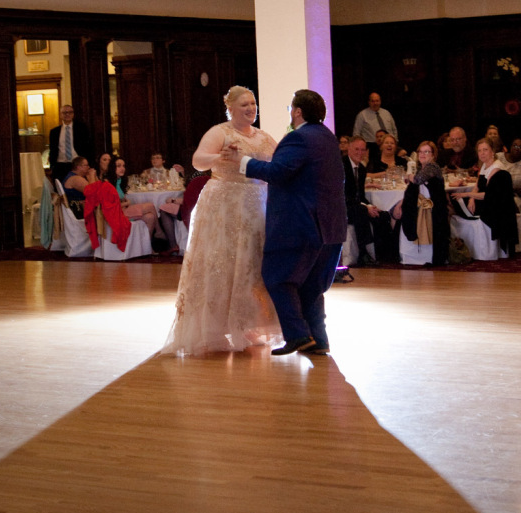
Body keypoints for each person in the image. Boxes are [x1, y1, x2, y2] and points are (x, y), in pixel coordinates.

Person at [161, 85, 281, 356]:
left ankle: (250, 324)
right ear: (231, 108)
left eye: (253, 103)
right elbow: (198, 161)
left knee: (252, 264)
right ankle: (215, 328)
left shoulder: (263, 136)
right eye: (244, 105)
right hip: (225, 206)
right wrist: (220, 156)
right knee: (222, 263)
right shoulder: (220, 132)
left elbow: (278, 163)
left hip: (257, 205)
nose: (251, 108)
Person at [233, 89, 347, 356]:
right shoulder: (328, 137)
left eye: (290, 109)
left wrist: (243, 162)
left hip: (300, 224)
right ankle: (318, 339)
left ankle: (297, 335)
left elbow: (278, 172)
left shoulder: (299, 138)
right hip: (330, 225)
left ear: (297, 111)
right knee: (312, 286)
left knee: (277, 277)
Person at [451, 138, 518, 255]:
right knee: (450, 200)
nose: (482, 153)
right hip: (483, 200)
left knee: (452, 202)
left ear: (492, 152)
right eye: (479, 150)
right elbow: (477, 186)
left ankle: (455, 243)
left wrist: (466, 194)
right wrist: (472, 199)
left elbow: (489, 195)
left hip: (493, 207)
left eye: (485, 150)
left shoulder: (496, 168)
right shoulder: (484, 165)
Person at [395, 141, 449, 266]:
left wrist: (409, 175)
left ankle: (426, 258)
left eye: (427, 152)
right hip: (419, 205)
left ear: (433, 155)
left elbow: (417, 180)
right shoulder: (421, 168)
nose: (422, 154)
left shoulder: (432, 167)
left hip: (432, 210)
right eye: (420, 151)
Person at [343, 136, 391, 266]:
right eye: (356, 149)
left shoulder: (362, 169)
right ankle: (363, 253)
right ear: (349, 149)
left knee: (383, 215)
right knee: (361, 211)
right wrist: (365, 207)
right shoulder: (341, 166)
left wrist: (370, 205)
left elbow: (360, 195)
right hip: (341, 207)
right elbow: (342, 195)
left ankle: (384, 254)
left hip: (355, 205)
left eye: (362, 150)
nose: (360, 153)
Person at [107, 155, 159, 238]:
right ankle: (159, 231)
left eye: (123, 166)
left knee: (150, 217)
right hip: (117, 214)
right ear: (112, 168)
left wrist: (125, 201)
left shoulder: (119, 181)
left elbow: (120, 198)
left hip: (123, 210)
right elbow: (110, 206)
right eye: (119, 166)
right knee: (150, 206)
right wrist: (127, 203)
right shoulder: (108, 184)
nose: (122, 168)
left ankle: (145, 243)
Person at [48, 104, 91, 183]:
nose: (67, 114)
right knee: (60, 188)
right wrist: (52, 166)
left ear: (73, 114)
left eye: (70, 112)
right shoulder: (54, 132)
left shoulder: (81, 129)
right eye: (65, 113)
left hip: (77, 165)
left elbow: (88, 147)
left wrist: (89, 164)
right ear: (60, 115)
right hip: (60, 166)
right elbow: (52, 150)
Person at [496, 138, 521, 206]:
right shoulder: (498, 157)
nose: (517, 149)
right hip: (497, 193)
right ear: (510, 146)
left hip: (516, 197)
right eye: (515, 146)